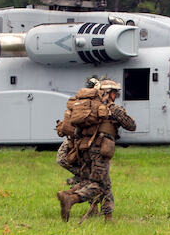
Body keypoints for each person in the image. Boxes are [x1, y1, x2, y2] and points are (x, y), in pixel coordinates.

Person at [56, 79, 136, 223]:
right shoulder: (113, 109)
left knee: (101, 182)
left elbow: (76, 131)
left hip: (85, 149)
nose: (115, 96)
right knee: (98, 184)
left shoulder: (88, 109)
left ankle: (107, 217)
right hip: (100, 149)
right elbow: (131, 125)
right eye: (114, 93)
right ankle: (71, 197)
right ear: (109, 93)